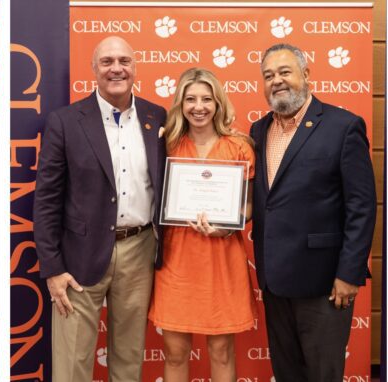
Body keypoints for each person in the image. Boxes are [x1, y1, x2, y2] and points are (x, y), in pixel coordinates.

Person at [33, 35, 166, 381]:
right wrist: (52, 268)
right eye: (107, 62)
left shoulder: (156, 117)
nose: (116, 68)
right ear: (93, 70)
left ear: (135, 68)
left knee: (129, 356)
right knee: (72, 362)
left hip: (140, 249)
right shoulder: (64, 121)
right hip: (78, 256)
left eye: (124, 61)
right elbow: (46, 200)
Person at [250, 43, 376, 381]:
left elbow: (361, 207)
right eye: (268, 75)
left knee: (323, 373)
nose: (276, 80)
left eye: (284, 72)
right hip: (274, 281)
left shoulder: (343, 127)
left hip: (324, 282)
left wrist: (349, 273)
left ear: (306, 74)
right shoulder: (258, 131)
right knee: (286, 372)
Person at [147, 68, 256, 382]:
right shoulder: (165, 145)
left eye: (207, 99)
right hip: (177, 260)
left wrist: (227, 225)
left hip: (222, 259)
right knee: (175, 353)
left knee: (222, 352)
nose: (199, 106)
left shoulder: (239, 147)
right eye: (190, 99)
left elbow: (248, 207)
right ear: (180, 104)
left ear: (218, 103)